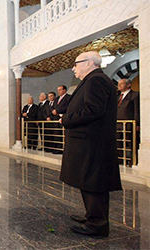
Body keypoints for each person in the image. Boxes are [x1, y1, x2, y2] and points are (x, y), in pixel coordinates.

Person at [60, 51, 122, 237]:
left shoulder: (96, 80)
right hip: (88, 141)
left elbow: (93, 110)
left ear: (88, 63)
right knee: (87, 181)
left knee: (94, 182)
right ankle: (92, 216)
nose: (74, 68)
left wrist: (66, 120)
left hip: (93, 142)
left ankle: (97, 224)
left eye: (76, 63)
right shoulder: (92, 80)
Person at [117, 78, 140, 166]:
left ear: (128, 85)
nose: (119, 86)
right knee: (118, 143)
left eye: (121, 84)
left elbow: (137, 110)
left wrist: (137, 123)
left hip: (130, 124)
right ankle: (120, 159)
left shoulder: (135, 95)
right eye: (118, 84)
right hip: (118, 124)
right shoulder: (118, 96)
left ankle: (133, 160)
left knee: (131, 143)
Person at [52, 85, 70, 154]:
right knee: (57, 133)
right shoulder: (56, 99)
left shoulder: (68, 97)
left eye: (60, 90)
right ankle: (57, 148)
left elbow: (68, 107)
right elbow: (53, 107)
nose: (58, 91)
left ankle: (63, 148)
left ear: (64, 90)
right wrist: (54, 111)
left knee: (63, 134)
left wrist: (58, 111)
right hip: (56, 118)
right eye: (58, 90)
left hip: (63, 117)